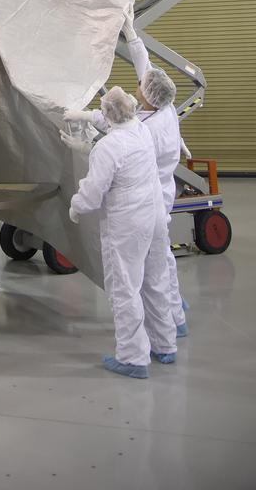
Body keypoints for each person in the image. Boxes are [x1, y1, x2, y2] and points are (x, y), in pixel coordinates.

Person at [66, 26, 190, 338]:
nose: (137, 86)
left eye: (139, 87)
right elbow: (140, 78)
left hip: (146, 203)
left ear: (147, 99)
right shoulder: (160, 109)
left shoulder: (146, 133)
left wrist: (89, 145)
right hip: (153, 201)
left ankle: (160, 328)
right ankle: (171, 325)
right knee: (159, 270)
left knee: (143, 274)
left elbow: (113, 157)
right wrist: (132, 35)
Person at [68, 86, 178, 378]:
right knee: (155, 281)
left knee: (125, 288)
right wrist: (88, 129)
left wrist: (76, 206)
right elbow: (115, 133)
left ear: (107, 114)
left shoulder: (108, 147)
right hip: (154, 217)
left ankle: (132, 358)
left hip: (127, 224)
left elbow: (93, 192)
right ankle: (165, 345)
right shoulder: (141, 130)